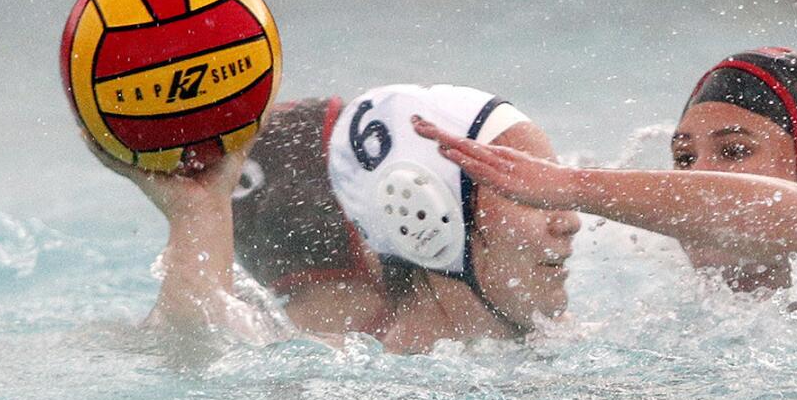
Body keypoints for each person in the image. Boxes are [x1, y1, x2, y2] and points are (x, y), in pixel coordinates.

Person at [412, 48, 797, 339]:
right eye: (682, 159)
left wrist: (571, 187)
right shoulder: (690, 314)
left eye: (734, 151)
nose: (696, 177)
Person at [88, 83, 582, 354]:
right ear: (425, 212)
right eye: (528, 191)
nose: (571, 220)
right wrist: (196, 212)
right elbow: (196, 347)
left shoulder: (573, 344)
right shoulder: (340, 368)